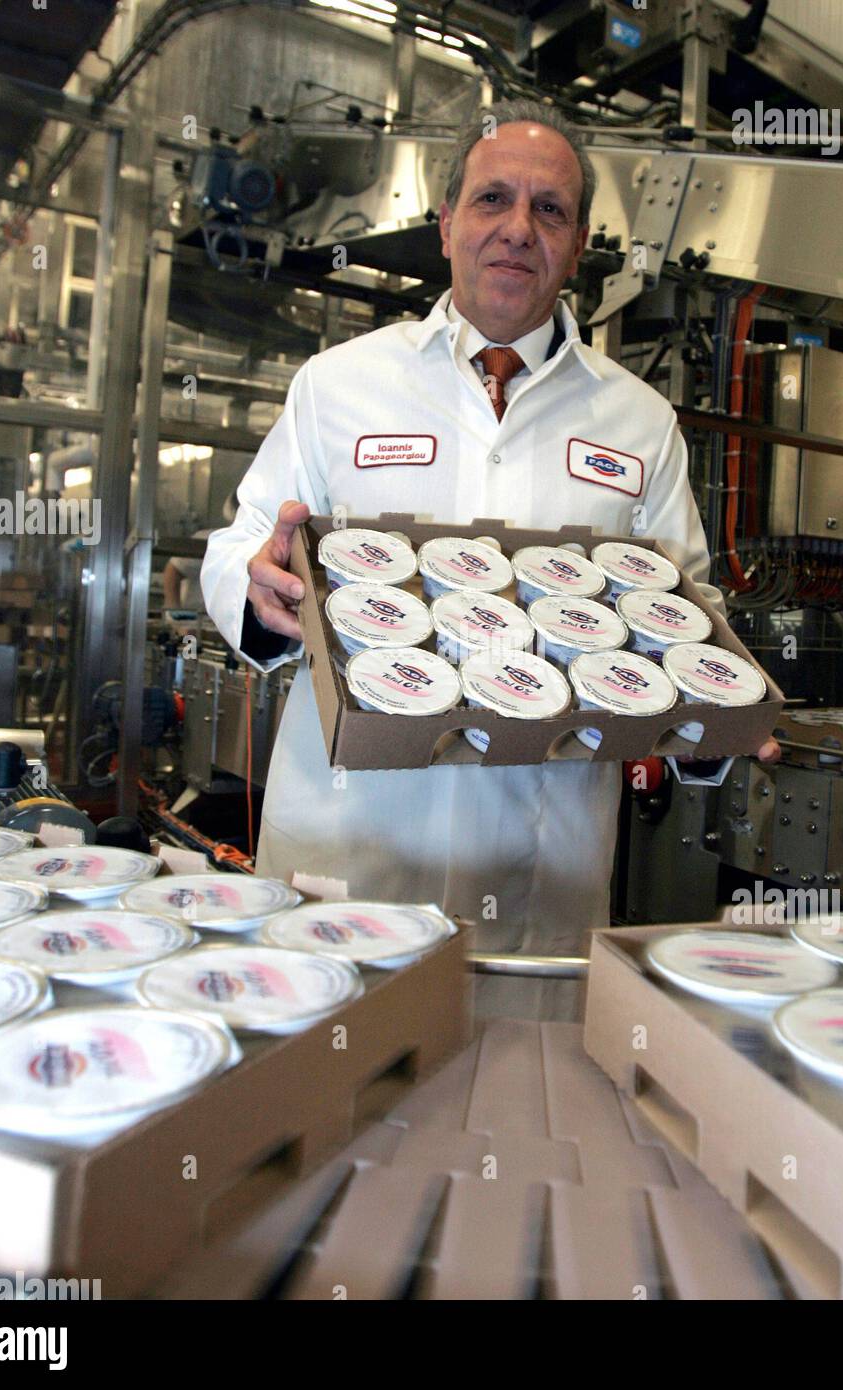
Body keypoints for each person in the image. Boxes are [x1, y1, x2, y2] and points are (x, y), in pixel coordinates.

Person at [202, 99, 780, 1018]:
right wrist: (256, 586)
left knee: (520, 1126)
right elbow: (240, 543)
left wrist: (714, 720)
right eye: (492, 200)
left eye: (549, 210)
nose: (518, 229)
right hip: (349, 846)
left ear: (579, 240)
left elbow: (685, 608)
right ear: (446, 225)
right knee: (330, 1107)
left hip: (541, 870)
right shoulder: (340, 386)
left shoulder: (639, 422)